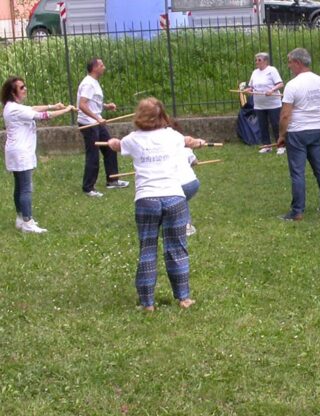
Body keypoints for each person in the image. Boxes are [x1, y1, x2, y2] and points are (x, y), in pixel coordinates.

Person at [106, 98, 201, 312]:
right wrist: (195, 141)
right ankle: (183, 298)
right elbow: (187, 140)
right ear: (162, 116)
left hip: (146, 199)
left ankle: (147, 303)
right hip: (175, 197)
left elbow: (118, 145)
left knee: (147, 249)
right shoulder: (173, 136)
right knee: (177, 248)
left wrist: (113, 144)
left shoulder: (132, 139)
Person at [2, 76, 75, 233]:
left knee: (20, 186)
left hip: (15, 151)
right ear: (13, 92)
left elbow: (33, 108)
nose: (25, 89)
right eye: (21, 87)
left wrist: (53, 105)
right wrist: (66, 110)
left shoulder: (11, 106)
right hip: (21, 152)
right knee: (26, 188)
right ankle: (27, 222)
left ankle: (21, 218)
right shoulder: (15, 109)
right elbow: (43, 116)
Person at [276, 48, 320, 221]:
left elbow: (285, 115)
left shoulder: (293, 85)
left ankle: (297, 211)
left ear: (298, 63)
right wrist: (316, 120)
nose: (288, 65)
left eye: (290, 62)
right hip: (315, 129)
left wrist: (281, 135)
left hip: (296, 132)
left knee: (297, 172)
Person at [77, 57, 129, 197]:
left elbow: (92, 101)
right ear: (94, 68)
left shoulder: (94, 83)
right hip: (89, 124)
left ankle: (112, 180)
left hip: (95, 122)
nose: (104, 67)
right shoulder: (88, 83)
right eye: (101, 65)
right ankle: (88, 188)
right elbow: (82, 104)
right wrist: (97, 118)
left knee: (110, 147)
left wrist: (106, 106)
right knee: (93, 155)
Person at [248, 52, 285, 154]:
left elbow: (280, 84)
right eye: (256, 60)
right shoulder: (255, 72)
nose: (257, 62)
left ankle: (281, 145)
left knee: (276, 124)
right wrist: (249, 89)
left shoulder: (272, 70)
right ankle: (267, 146)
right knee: (262, 125)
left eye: (259, 60)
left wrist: (272, 90)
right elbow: (251, 86)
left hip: (273, 104)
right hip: (259, 104)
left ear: (265, 61)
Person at [178, 147, 200, 236]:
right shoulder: (186, 149)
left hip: (177, 184)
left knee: (178, 201)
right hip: (193, 183)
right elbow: (195, 162)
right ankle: (185, 225)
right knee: (183, 200)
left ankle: (185, 226)